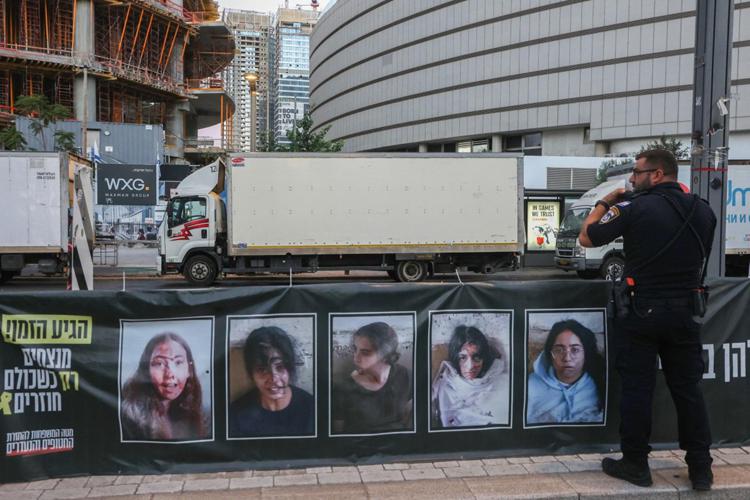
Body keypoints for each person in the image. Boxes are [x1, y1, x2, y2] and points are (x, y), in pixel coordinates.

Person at [579, 149, 717, 490]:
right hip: (686, 312)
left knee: (638, 389)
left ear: (656, 175)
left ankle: (636, 464)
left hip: (641, 313)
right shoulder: (703, 211)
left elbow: (587, 236)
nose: (633, 179)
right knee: (688, 390)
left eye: (637, 173)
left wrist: (606, 201)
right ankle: (701, 469)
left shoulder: (633, 207)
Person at [228, 326, 314, 437]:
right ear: (251, 373)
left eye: (280, 367)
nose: (273, 378)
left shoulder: (312, 409)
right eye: (262, 369)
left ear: (290, 367)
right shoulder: (236, 414)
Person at [121, 332, 208, 441]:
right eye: (159, 363)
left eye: (178, 362)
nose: (170, 374)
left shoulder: (197, 413)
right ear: (146, 370)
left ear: (189, 370)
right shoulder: (130, 416)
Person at [332, 322, 413, 434]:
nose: (356, 358)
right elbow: (337, 434)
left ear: (385, 354)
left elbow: (412, 414)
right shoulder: (343, 388)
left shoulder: (405, 376)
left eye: (365, 352)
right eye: (355, 349)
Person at [526, 319, 605, 424]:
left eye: (575, 350)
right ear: (549, 354)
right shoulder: (530, 385)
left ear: (586, 353)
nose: (567, 358)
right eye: (559, 350)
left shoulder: (599, 383)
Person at [431, 325, 509, 428]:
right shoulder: (446, 386)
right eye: (463, 357)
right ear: (455, 358)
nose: (470, 366)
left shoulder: (502, 381)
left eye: (476, 357)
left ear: (484, 358)